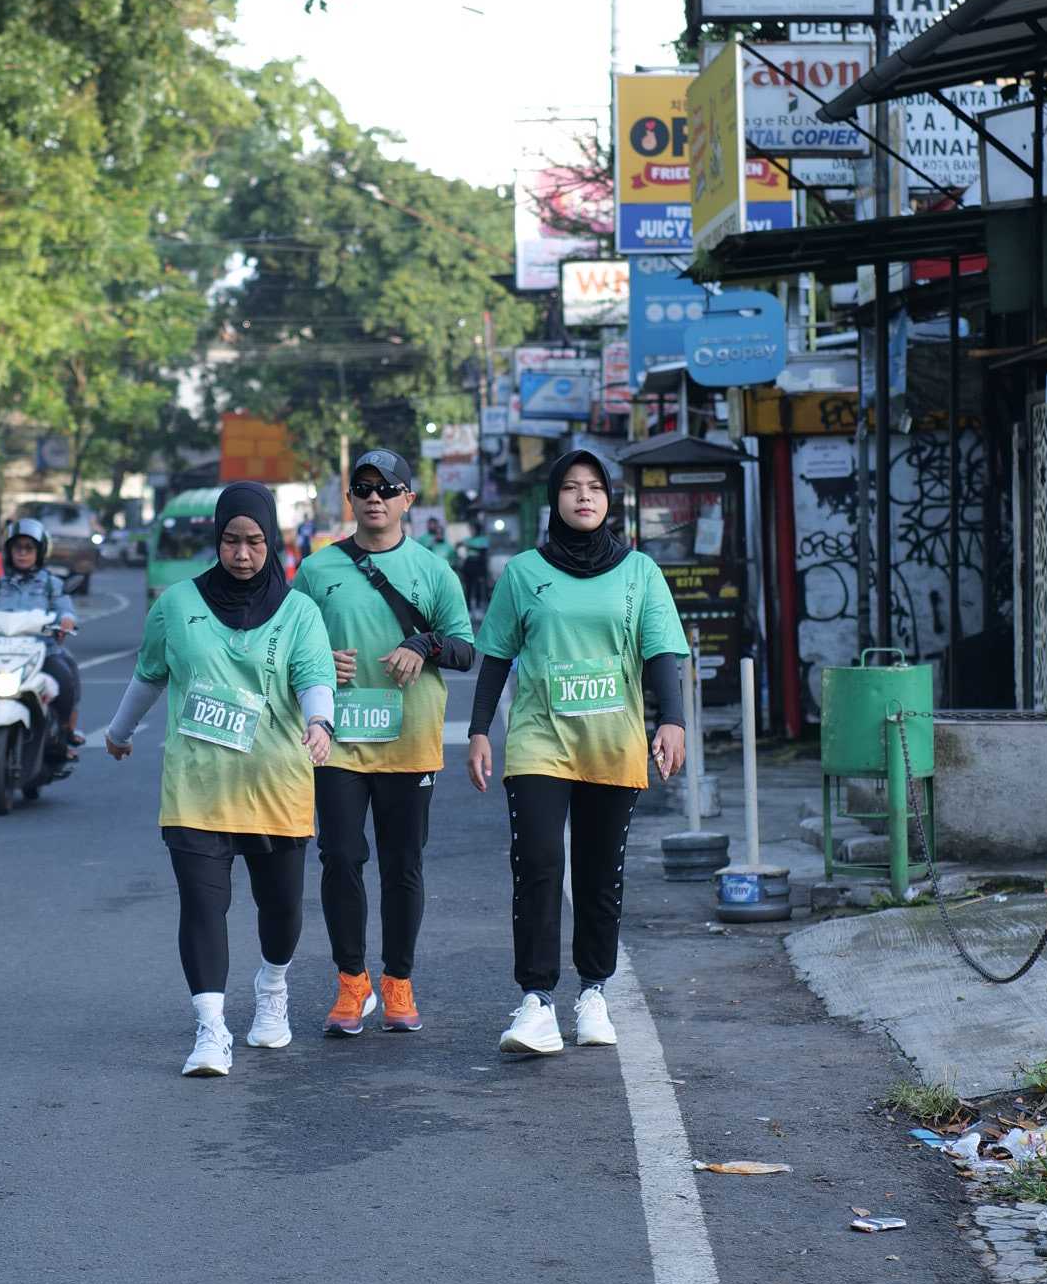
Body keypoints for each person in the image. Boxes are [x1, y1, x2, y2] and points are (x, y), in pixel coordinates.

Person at [466, 441, 688, 1060]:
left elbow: (659, 652)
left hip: (613, 741)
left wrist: (671, 721)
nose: (583, 496)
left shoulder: (639, 572)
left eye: (594, 487)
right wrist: (479, 729)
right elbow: (496, 656)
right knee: (537, 862)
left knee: (599, 871)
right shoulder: (523, 573)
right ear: (554, 500)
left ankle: (594, 991)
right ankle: (537, 1000)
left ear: (609, 500)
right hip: (540, 739)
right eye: (570, 487)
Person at [104, 482, 335, 1076]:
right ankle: (211, 1030)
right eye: (231, 540)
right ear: (216, 539)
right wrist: (119, 731)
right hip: (197, 787)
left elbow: (314, 676)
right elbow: (150, 672)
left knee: (281, 909)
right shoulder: (177, 604)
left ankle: (273, 988)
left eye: (254, 541)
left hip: (276, 784)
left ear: (272, 540)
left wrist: (320, 723)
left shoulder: (300, 612)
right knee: (202, 907)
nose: (242, 554)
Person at [294, 448, 475, 1035]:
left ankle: (399, 980)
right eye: (364, 488)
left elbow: (466, 651)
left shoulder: (433, 570)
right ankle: (352, 981)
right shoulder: (317, 571)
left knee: (402, 864)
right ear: (350, 498)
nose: (375, 497)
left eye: (387, 488)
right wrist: (321, 662)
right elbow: (288, 645)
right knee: (341, 856)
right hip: (337, 740)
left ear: (407, 500)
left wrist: (423, 644)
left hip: (408, 741)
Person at [0, 518, 81, 761]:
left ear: (40, 553)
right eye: (17, 548)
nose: (22, 553)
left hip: (42, 653)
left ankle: (65, 734)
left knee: (66, 676)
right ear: (8, 552)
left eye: (28, 548)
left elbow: (65, 609)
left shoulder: (52, 585)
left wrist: (66, 620)